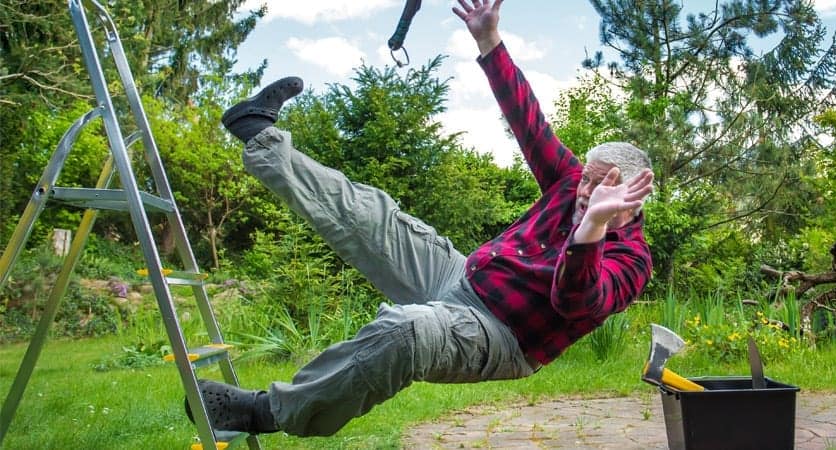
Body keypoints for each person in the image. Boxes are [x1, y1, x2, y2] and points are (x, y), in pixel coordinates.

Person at [186, 0, 654, 437]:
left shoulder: (632, 261)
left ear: (634, 197)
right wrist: (489, 40)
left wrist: (590, 227)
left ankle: (266, 412)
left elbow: (577, 300)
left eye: (601, 185)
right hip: (460, 274)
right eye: (586, 180)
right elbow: (527, 120)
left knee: (407, 330)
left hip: (499, 336)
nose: (585, 192)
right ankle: (257, 132)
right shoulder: (569, 181)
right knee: (371, 214)